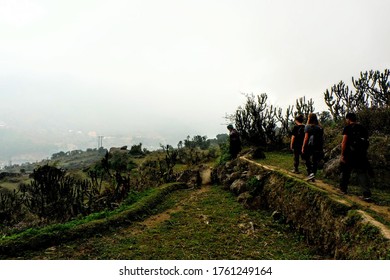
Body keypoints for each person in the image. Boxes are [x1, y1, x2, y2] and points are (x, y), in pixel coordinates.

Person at [339, 112, 372, 201]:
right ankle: (366, 194)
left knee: (345, 171)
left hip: (350, 154)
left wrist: (342, 154)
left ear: (348, 119)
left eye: (346, 119)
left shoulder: (348, 128)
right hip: (361, 154)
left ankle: (343, 190)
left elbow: (344, 142)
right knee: (362, 173)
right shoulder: (363, 128)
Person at [301, 113, 324, 181]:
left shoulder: (308, 127)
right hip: (318, 146)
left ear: (309, 118)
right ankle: (313, 174)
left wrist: (303, 147)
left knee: (307, 159)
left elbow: (306, 138)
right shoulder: (320, 127)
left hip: (310, 145)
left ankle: (310, 173)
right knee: (315, 161)